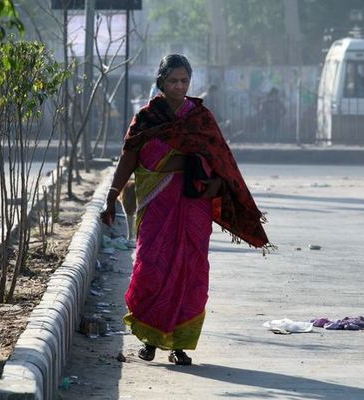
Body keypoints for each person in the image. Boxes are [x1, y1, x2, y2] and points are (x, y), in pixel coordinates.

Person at [100, 54, 271, 366]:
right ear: (161, 83)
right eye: (173, 81)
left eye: (184, 81)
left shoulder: (200, 118)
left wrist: (216, 184)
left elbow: (220, 157)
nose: (179, 86)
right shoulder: (146, 118)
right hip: (156, 204)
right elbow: (129, 156)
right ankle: (149, 338)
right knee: (152, 265)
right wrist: (112, 195)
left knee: (189, 271)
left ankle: (180, 345)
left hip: (193, 206)